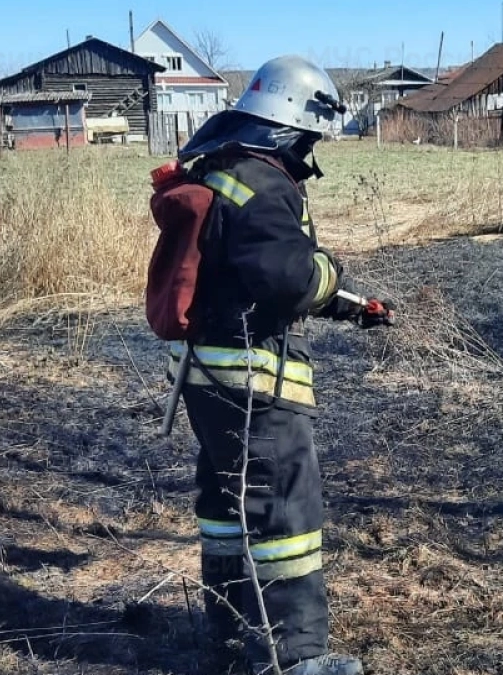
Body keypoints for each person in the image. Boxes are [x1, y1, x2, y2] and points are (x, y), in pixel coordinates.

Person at [166, 54, 394, 675]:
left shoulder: (220, 171)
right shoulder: (265, 184)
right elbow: (288, 276)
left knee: (227, 500)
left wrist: (352, 309)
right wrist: (332, 274)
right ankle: (294, 658)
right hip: (251, 382)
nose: (312, 151)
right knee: (286, 510)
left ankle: (229, 629)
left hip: (205, 375)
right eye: (312, 137)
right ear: (292, 123)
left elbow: (248, 270)